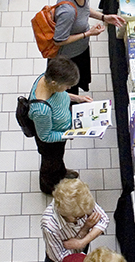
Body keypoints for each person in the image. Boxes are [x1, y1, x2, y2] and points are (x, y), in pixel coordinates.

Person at [53, 0, 126, 94]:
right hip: (70, 57)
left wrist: (104, 17)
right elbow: (58, 41)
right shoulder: (66, 12)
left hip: (80, 49)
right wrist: (87, 34)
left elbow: (84, 9)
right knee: (70, 88)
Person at [29, 57, 93, 194]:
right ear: (54, 83)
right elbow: (46, 136)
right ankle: (49, 186)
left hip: (60, 135)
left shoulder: (47, 78)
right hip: (52, 143)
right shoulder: (41, 110)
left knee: (58, 159)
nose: (69, 88)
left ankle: (61, 172)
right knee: (51, 163)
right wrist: (69, 133)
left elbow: (62, 94)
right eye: (67, 85)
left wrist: (78, 99)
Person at [42, 178, 110, 262]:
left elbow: (104, 219)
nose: (85, 216)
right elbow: (59, 257)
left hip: (80, 248)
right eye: (80, 216)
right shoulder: (50, 225)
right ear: (69, 215)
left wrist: (82, 242)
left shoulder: (80, 198)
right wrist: (84, 230)